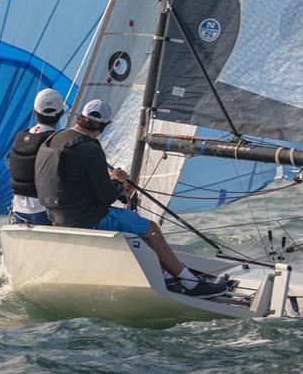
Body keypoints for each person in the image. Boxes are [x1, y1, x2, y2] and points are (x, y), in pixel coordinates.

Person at [35, 98, 226, 297]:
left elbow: (67, 180)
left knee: (133, 224)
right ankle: (191, 284)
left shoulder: (54, 138)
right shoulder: (91, 148)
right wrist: (118, 183)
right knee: (150, 229)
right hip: (88, 220)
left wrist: (109, 182)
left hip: (56, 217)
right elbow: (107, 197)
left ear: (80, 117)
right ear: (103, 127)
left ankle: (166, 275)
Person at [7, 87, 65, 226]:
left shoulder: (20, 137)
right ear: (62, 113)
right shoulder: (58, 140)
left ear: (34, 112)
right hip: (45, 213)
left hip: (18, 211)